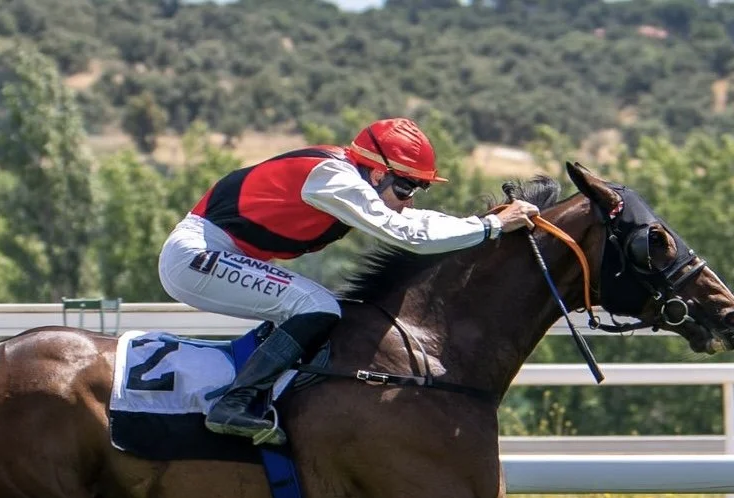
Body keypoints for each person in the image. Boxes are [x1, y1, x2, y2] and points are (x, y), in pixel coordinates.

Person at [159, 116, 540, 446]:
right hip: (196, 256)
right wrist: (491, 227)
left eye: (416, 189)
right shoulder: (332, 178)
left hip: (221, 254)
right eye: (405, 187)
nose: (409, 200)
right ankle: (233, 405)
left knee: (312, 305)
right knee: (318, 305)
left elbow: (414, 222)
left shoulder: (351, 175)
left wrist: (488, 224)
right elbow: (405, 234)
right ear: (377, 172)